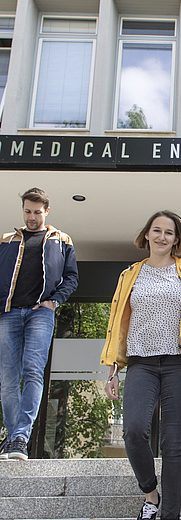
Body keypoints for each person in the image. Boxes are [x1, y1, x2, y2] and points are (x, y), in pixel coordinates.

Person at [100, 210, 181, 520]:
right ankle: (151, 494)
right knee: (133, 430)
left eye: (169, 232)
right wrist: (114, 368)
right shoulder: (130, 274)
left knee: (172, 444)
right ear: (146, 235)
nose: (162, 236)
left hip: (180, 362)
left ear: (178, 239)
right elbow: (118, 322)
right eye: (156, 230)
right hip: (140, 363)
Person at [0, 188, 78, 461]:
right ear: (23, 210)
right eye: (27, 211)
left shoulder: (61, 239)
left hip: (40, 313)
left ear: (46, 211)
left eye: (37, 212)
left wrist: (54, 302)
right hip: (8, 313)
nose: (31, 217)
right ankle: (13, 440)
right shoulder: (7, 239)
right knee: (8, 379)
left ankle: (21, 436)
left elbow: (71, 277)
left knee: (33, 371)